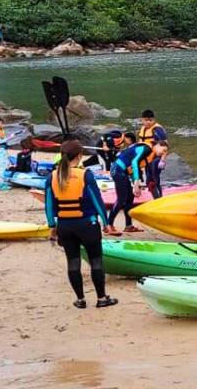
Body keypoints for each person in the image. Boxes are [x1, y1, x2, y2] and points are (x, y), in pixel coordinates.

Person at [44, 139, 117, 309]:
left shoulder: (52, 176)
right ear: (79, 156)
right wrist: (106, 223)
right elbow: (97, 200)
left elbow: (48, 204)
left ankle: (80, 300)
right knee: (96, 261)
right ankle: (101, 299)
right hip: (87, 225)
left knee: (73, 262)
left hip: (65, 226)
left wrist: (52, 226)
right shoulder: (86, 175)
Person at [108, 131, 151, 234]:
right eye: (163, 151)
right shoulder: (146, 148)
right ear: (157, 146)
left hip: (121, 171)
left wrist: (135, 183)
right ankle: (108, 225)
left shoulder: (137, 148)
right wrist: (136, 182)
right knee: (122, 199)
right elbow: (134, 162)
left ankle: (128, 226)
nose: (163, 154)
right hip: (117, 170)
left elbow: (132, 168)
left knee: (130, 198)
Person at [137, 110, 169, 199]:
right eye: (146, 120)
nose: (148, 122)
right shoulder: (143, 129)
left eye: (150, 120)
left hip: (156, 159)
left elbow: (165, 145)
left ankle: (159, 199)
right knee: (148, 182)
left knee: (154, 180)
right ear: (142, 120)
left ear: (153, 119)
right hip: (148, 159)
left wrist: (162, 160)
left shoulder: (157, 130)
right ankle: (157, 199)